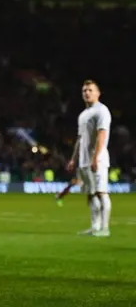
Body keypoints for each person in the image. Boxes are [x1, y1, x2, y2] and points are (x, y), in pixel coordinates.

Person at [66, 80, 112, 237]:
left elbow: (102, 135)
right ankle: (95, 227)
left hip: (97, 160)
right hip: (84, 161)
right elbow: (80, 138)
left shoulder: (102, 111)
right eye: (84, 90)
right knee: (90, 194)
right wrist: (73, 159)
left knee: (101, 192)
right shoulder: (83, 114)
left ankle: (104, 228)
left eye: (90, 90)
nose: (87, 93)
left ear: (98, 93)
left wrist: (96, 157)